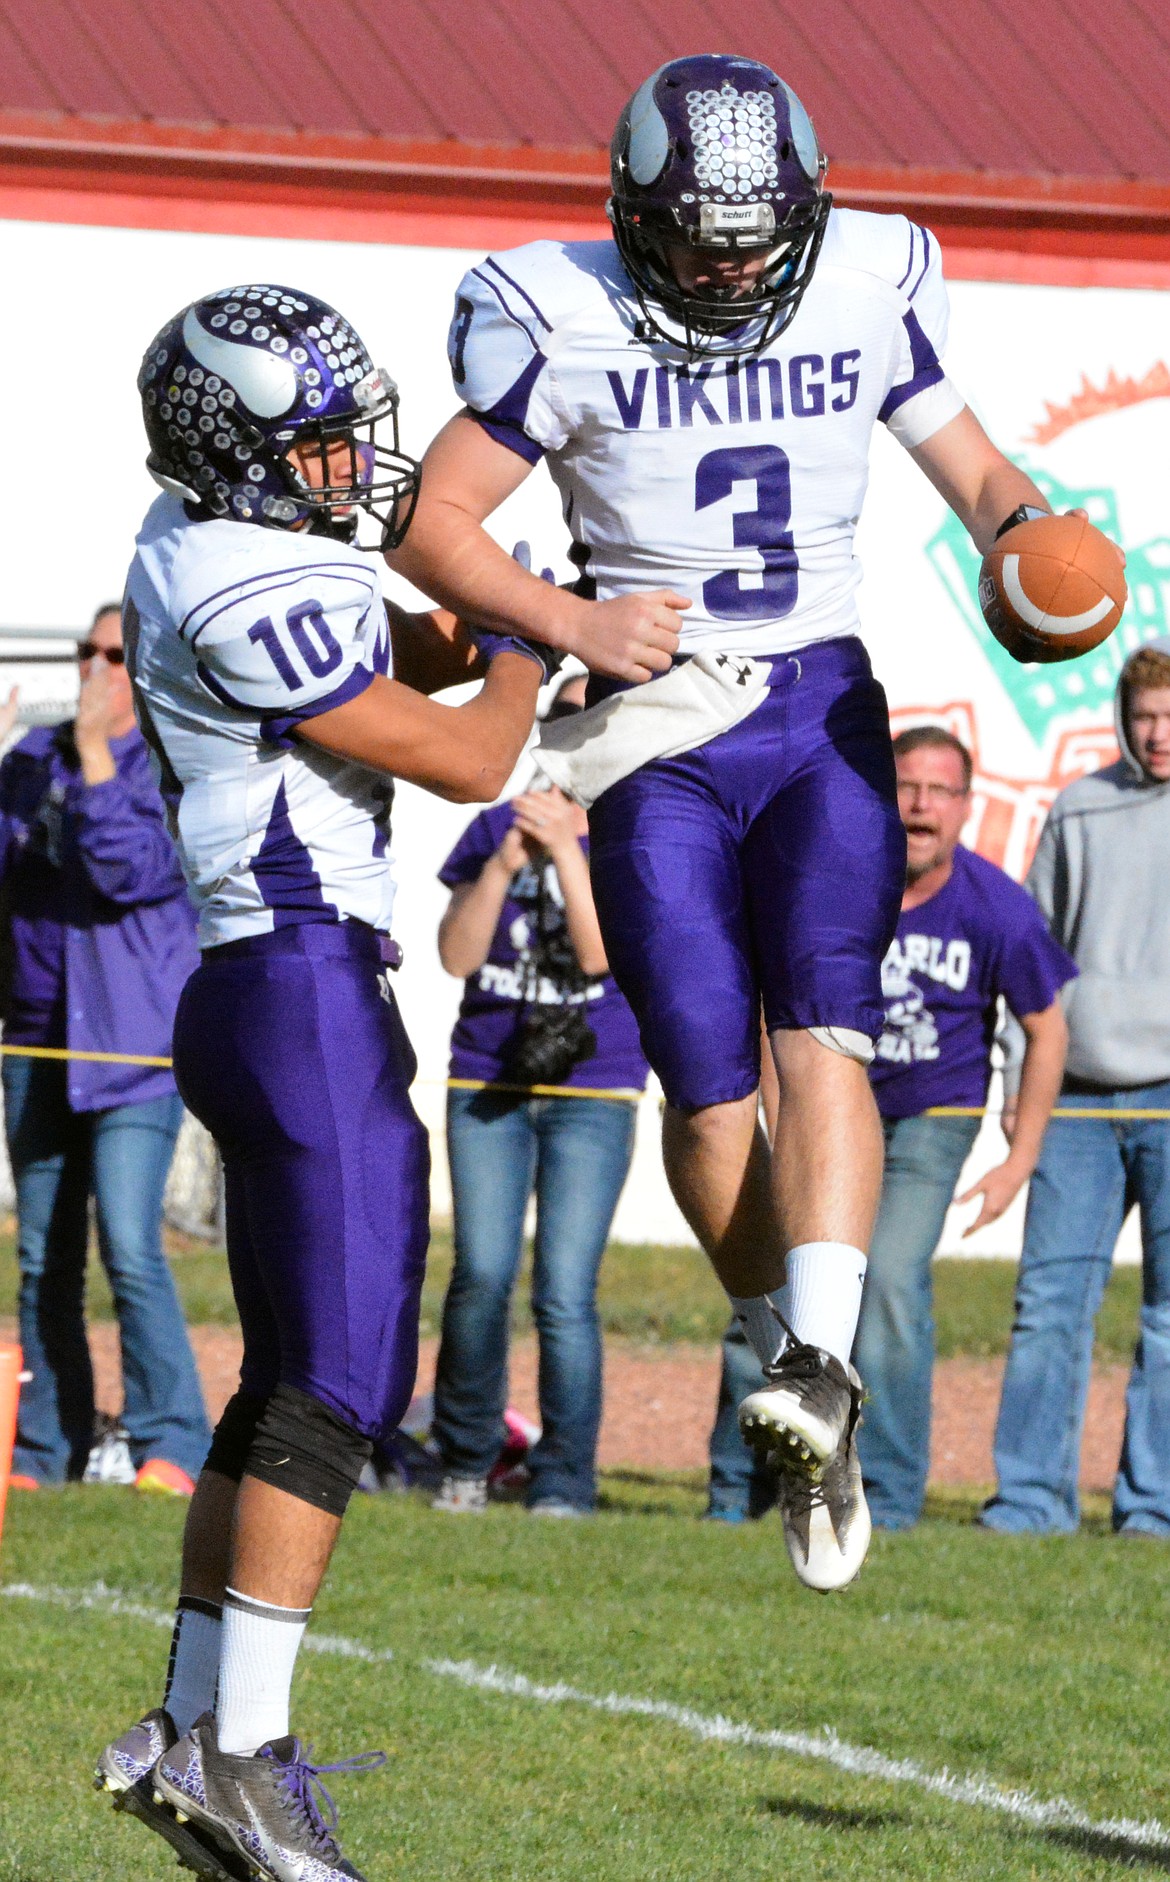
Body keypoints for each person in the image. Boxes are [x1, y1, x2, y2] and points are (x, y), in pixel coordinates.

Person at [386, 52, 1100, 1590]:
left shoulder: (861, 275)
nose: (727, 262)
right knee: (704, 1095)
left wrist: (1022, 543)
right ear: (632, 211)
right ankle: (793, 1361)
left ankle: (823, 1359)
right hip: (653, 729)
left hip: (817, 702)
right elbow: (431, 527)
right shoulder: (552, 307)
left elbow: (973, 474)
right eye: (699, 234)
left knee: (822, 1031)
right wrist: (570, 616)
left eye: (752, 234)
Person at [93, 284, 544, 1882]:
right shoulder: (241, 570)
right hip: (294, 977)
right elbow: (467, 752)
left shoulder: (195, 533)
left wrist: (468, 621)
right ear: (241, 452)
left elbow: (390, 643)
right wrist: (536, 636)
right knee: (343, 1382)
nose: (352, 460)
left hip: (259, 980)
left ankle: (185, 1718)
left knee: (286, 1375)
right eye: (319, 438)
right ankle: (246, 1758)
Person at [707, 725, 1075, 1527]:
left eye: (940, 791)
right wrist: (778, 1119)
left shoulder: (993, 904)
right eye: (907, 786)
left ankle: (894, 1496)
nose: (920, 805)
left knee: (894, 1283)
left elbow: (1047, 1025)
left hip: (929, 1121)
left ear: (966, 807)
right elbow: (770, 1007)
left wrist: (1019, 1159)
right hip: (829, 1112)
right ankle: (738, 1492)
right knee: (771, 1283)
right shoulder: (829, 885)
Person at [0, 602, 208, 1494]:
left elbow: (132, 872)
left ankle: (174, 1444)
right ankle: (49, 1448)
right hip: (39, 1041)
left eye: (115, 655)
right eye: (86, 651)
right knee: (45, 1253)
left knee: (128, 1241)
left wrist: (91, 756)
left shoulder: (173, 766)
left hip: (133, 1051)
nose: (95, 668)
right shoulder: (26, 763)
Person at [431, 683, 650, 1517]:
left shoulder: (634, 832)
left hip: (593, 1086)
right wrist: (504, 863)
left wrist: (567, 852)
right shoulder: (497, 828)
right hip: (488, 1078)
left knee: (563, 1288)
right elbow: (456, 957)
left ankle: (564, 1477)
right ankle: (466, 1460)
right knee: (480, 1274)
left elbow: (604, 961)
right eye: (560, 721)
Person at [982, 639, 1170, 1537]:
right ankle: (1028, 1502)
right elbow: (1034, 959)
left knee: (1169, 1323)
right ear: (1122, 720)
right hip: (1078, 1105)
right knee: (1049, 1308)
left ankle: (1152, 1509)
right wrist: (1024, 1085)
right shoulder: (1079, 809)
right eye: (1145, 717)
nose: (1159, 733)